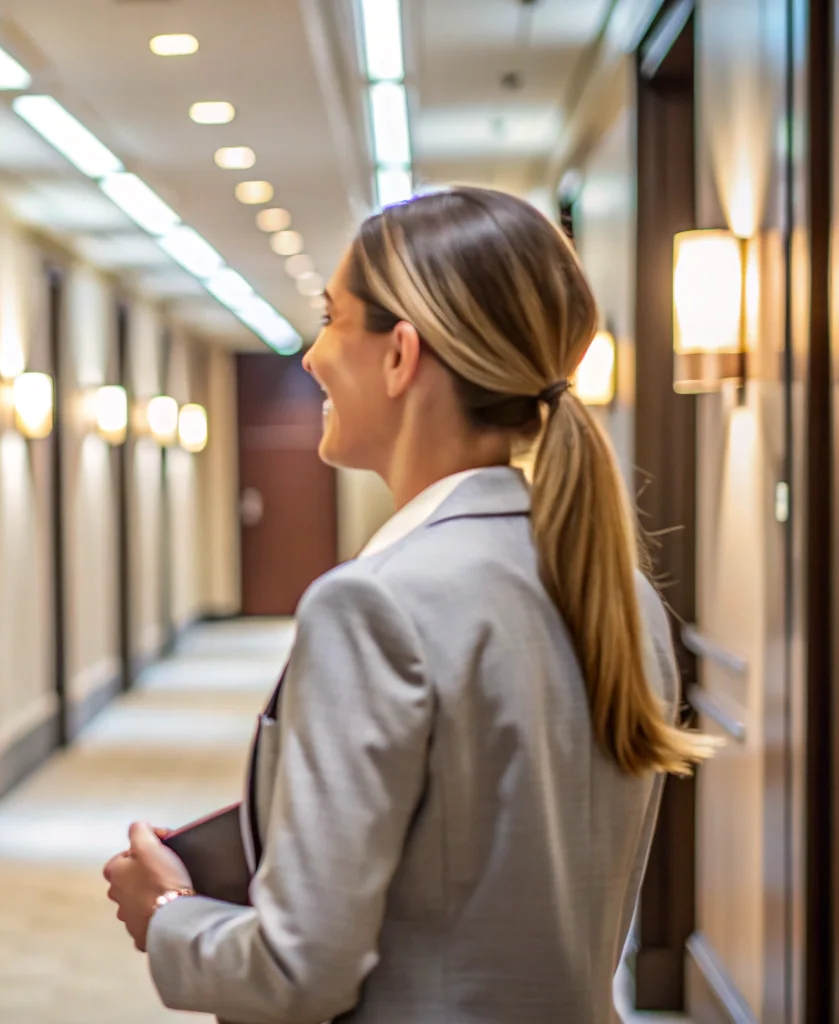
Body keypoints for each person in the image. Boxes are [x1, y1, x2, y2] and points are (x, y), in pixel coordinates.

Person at [103, 187, 717, 1023]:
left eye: (330, 318)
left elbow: (300, 971)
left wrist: (169, 915)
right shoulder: (620, 595)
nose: (313, 355)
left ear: (400, 355)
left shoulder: (373, 606)